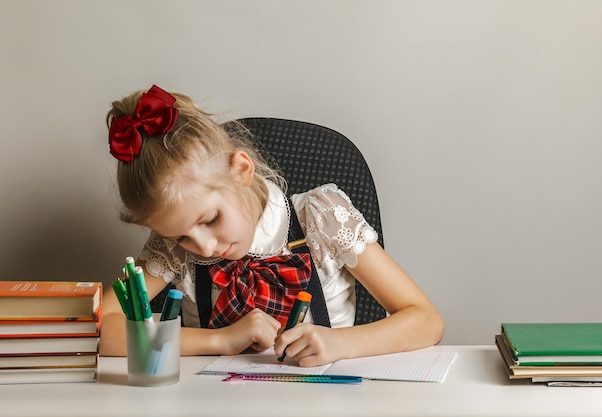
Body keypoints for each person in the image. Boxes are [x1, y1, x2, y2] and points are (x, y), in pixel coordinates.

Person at [100, 84, 444, 367]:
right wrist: (219, 339)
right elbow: (101, 327)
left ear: (242, 171)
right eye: (180, 236)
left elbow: (426, 320)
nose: (204, 247)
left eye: (211, 220)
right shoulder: (173, 247)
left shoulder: (320, 218)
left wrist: (340, 343)